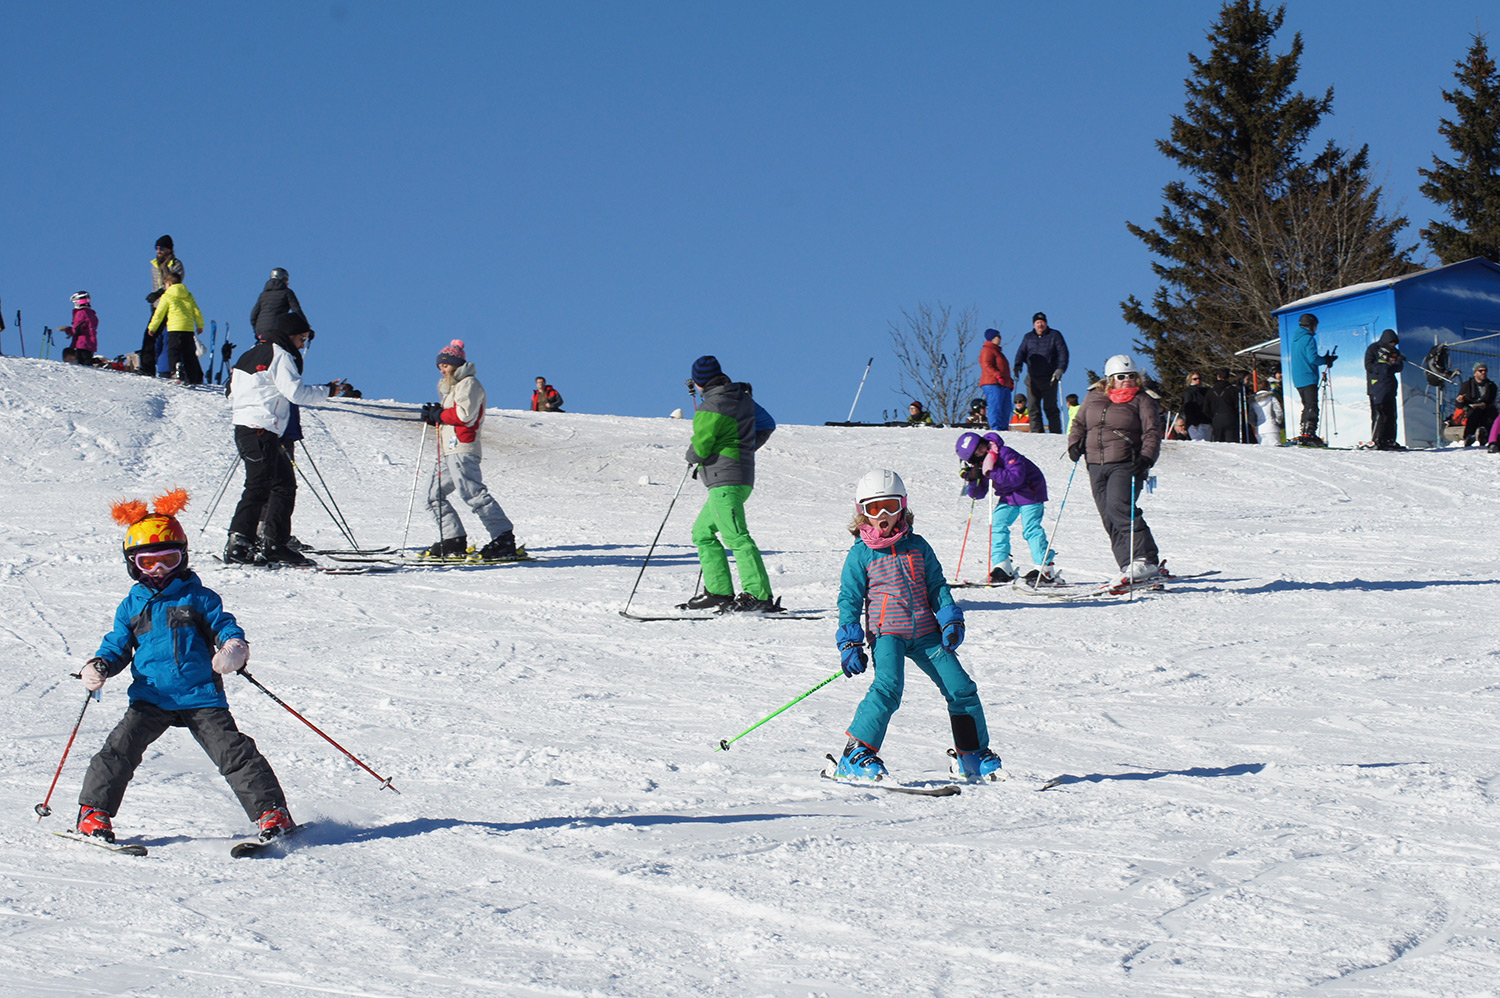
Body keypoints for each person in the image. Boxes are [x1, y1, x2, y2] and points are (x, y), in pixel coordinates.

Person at [72, 488, 294, 845]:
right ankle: (92, 813)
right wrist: (100, 665)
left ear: (184, 558)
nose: (159, 570)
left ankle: (272, 813)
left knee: (235, 752)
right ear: (133, 564)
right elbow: (116, 646)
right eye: (148, 562)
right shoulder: (132, 605)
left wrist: (234, 647)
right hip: (151, 697)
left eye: (168, 560)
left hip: (200, 695)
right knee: (119, 751)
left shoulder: (200, 598)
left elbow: (225, 626)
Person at [827, 469, 1003, 784]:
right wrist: (850, 642)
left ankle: (972, 754)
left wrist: (950, 617)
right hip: (887, 634)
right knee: (888, 689)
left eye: (890, 506)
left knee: (961, 688)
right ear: (862, 513)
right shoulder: (861, 554)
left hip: (926, 633)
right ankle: (855, 755)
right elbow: (849, 599)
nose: (883, 516)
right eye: (874, 508)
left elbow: (936, 585)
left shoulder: (918, 546)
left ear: (902, 507)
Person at [225, 313, 340, 567]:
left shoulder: (251, 353)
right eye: (303, 338)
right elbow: (295, 392)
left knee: (282, 485)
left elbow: (230, 391)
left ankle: (274, 542)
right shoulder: (280, 354)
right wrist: (327, 391)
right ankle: (239, 542)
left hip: (251, 427)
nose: (303, 344)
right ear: (291, 334)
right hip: (261, 429)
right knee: (259, 486)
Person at [681, 355, 776, 613]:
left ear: (698, 383)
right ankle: (718, 592)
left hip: (726, 481)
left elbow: (701, 445)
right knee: (702, 532)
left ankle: (758, 596)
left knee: (736, 537)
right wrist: (746, 447)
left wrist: (691, 456)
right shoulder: (742, 398)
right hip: (736, 478)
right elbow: (767, 423)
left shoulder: (710, 408)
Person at [1066, 354, 1165, 589]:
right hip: (1095, 464)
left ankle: (1145, 559)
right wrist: (1074, 443)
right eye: (1121, 377)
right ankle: (1127, 565)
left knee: (1120, 507)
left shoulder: (1142, 400)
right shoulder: (1094, 397)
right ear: (1110, 379)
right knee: (1108, 516)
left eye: (1132, 376)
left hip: (1126, 461)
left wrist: (1146, 457)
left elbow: (1152, 431)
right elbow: (1079, 423)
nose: (1127, 381)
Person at [420, 340, 521, 560]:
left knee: (471, 492)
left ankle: (503, 538)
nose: (442, 370)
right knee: (432, 496)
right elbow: (451, 414)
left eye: (445, 365)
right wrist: (434, 416)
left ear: (456, 364)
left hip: (462, 446)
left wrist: (440, 415)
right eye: (439, 367)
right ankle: (453, 539)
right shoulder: (453, 387)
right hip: (448, 449)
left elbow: (465, 415)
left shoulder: (468, 383)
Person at [955, 431, 1058, 586]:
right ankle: (1002, 566)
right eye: (978, 452)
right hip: (1009, 497)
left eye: (982, 446)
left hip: (1031, 492)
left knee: (1031, 528)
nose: (983, 450)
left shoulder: (1003, 452)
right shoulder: (983, 464)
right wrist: (973, 479)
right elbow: (979, 494)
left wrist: (991, 472)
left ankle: (1045, 568)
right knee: (997, 523)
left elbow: (1016, 478)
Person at [1012, 312, 1069, 434]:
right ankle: (1037, 433)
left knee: (1050, 407)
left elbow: (1063, 353)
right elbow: (1021, 352)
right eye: (1037, 322)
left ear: (1046, 323)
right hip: (1032, 377)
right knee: (1033, 408)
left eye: (1042, 322)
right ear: (1034, 324)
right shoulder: (1028, 337)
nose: (1040, 325)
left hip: (1049, 377)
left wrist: (1060, 369)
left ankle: (1055, 433)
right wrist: (1017, 365)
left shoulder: (1054, 335)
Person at [147, 270, 205, 384]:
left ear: (169, 283)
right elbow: (196, 311)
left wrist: (152, 327)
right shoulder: (188, 295)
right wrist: (200, 325)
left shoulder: (167, 295)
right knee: (189, 353)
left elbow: (159, 313)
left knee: (173, 351)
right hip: (188, 328)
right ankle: (192, 377)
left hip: (174, 328)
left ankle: (175, 372)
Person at [140, 236, 184, 378]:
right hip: (157, 307)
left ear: (169, 249)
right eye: (157, 248)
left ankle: (171, 370)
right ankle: (147, 368)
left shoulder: (176, 265)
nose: (158, 251)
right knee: (149, 337)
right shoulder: (154, 265)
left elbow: (174, 284)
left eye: (162, 248)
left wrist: (158, 293)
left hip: (171, 307)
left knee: (169, 341)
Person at [1290, 313, 1334, 446]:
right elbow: (1313, 359)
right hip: (1308, 377)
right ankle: (1309, 434)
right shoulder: (1308, 339)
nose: (1316, 329)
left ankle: (1304, 432)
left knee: (1307, 405)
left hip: (1298, 379)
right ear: (1311, 325)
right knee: (1312, 406)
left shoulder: (1295, 340)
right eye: (1315, 326)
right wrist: (1326, 360)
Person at [1365, 329, 1406, 450]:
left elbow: (1397, 368)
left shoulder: (1394, 352)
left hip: (1390, 387)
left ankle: (1390, 440)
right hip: (1376, 387)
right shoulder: (1373, 348)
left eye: (1394, 344)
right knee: (1379, 414)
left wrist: (1398, 361)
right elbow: (1368, 366)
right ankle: (1378, 439)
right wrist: (1385, 365)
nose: (1393, 346)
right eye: (1391, 343)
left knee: (1391, 415)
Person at [250, 268, 310, 343]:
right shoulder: (287, 292)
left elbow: (253, 316)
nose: (288, 283)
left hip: (261, 333)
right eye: (287, 280)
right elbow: (297, 311)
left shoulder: (263, 295)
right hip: (277, 331)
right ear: (283, 279)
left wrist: (257, 331)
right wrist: (307, 328)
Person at [978, 328, 1013, 432]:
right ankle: (995, 428)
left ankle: (1003, 428)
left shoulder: (997, 351)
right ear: (992, 338)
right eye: (998, 336)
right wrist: (997, 375)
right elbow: (986, 365)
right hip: (993, 383)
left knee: (1006, 408)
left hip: (1003, 384)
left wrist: (1008, 381)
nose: (1000, 339)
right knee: (995, 406)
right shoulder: (987, 350)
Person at [1455, 363, 1496, 447]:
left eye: (1485, 370)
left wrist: (1484, 404)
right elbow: (1459, 405)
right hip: (1471, 409)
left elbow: (1492, 401)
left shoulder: (1491, 386)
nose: (1483, 372)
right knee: (1475, 413)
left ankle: (1485, 435)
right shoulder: (1467, 385)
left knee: (1490, 412)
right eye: (1480, 371)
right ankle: (1469, 436)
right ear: (1475, 372)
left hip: (1486, 410)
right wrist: (1460, 401)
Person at [62, 291, 99, 367]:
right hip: (91, 343)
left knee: (82, 364)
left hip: (81, 343)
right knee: (87, 362)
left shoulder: (80, 313)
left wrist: (67, 330)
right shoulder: (91, 313)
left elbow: (76, 330)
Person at [1208, 369, 1246, 443]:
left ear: (1218, 376)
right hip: (1231, 418)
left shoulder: (1210, 392)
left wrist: (1212, 416)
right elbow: (1239, 406)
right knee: (1231, 442)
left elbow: (1206, 408)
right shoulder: (1234, 390)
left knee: (1218, 442)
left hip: (1217, 419)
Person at [1180, 372, 1213, 440]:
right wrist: (1194, 423)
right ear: (1190, 380)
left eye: (1199, 378)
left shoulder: (1205, 392)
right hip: (1195, 424)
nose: (1198, 380)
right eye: (1195, 379)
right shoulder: (1189, 393)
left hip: (1206, 421)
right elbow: (1187, 409)